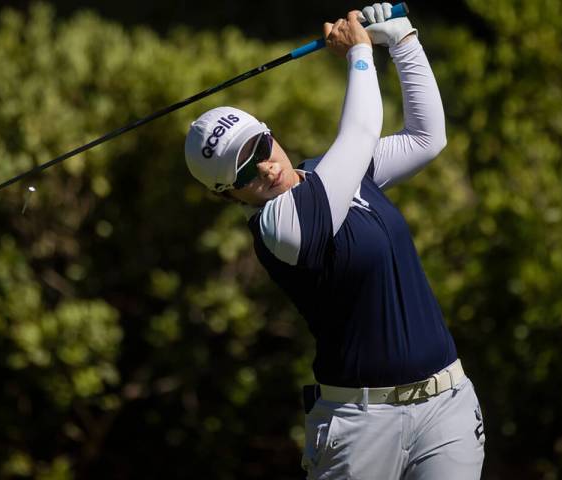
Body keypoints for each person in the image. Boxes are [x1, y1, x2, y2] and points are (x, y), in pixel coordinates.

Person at [184, 3, 485, 479]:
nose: (263, 167)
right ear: (229, 194)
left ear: (270, 135)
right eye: (242, 171)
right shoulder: (281, 226)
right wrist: (359, 54)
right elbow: (362, 130)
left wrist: (404, 42)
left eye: (259, 148)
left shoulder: (334, 173)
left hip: (445, 405)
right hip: (362, 426)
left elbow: (427, 138)